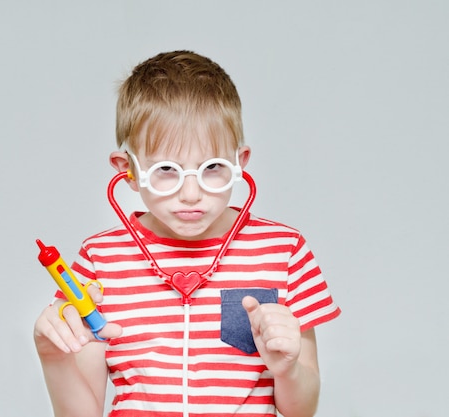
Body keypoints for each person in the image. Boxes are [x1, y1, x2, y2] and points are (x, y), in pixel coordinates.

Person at [34, 50, 340, 417]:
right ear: (126, 170)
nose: (191, 193)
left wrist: (288, 369)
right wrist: (53, 357)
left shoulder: (284, 252)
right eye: (166, 170)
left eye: (212, 167)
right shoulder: (100, 260)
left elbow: (301, 411)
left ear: (240, 163)